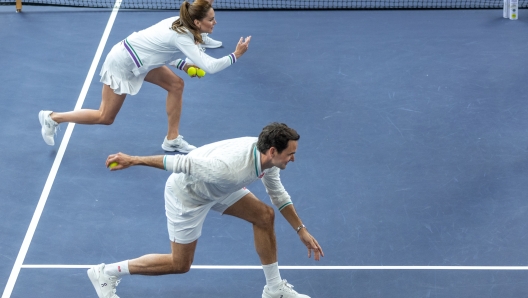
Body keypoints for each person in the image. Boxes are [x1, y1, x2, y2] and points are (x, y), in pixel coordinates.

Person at [87, 123, 323, 298]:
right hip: (187, 196)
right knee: (180, 264)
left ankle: (274, 290)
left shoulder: (267, 159)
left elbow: (278, 195)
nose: (293, 158)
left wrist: (301, 230)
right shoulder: (229, 169)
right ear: (272, 151)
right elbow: (180, 163)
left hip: (219, 188)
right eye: (290, 154)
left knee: (264, 216)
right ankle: (107, 272)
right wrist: (134, 159)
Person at [38, 0, 251, 153]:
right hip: (122, 63)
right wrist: (236, 55)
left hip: (141, 60)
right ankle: (53, 118)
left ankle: (172, 139)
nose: (215, 23)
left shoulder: (181, 23)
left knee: (176, 84)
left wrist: (184, 64)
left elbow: (161, 53)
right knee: (105, 117)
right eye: (211, 19)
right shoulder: (182, 38)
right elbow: (211, 67)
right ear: (197, 22)